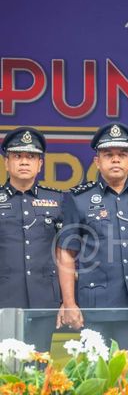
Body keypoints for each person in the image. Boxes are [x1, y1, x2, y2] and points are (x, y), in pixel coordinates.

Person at [56, 122, 128, 353]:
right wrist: (69, 303)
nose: (116, 160)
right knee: (95, 372)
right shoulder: (79, 199)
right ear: (97, 161)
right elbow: (66, 253)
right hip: (95, 308)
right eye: (108, 154)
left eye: (122, 154)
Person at [0, 127, 63, 351]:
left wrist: (66, 301)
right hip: (4, 300)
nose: (24, 162)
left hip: (44, 300)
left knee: (39, 364)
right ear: (6, 163)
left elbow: (65, 254)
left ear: (40, 164)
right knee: (4, 366)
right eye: (17, 156)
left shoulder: (57, 200)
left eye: (31, 157)